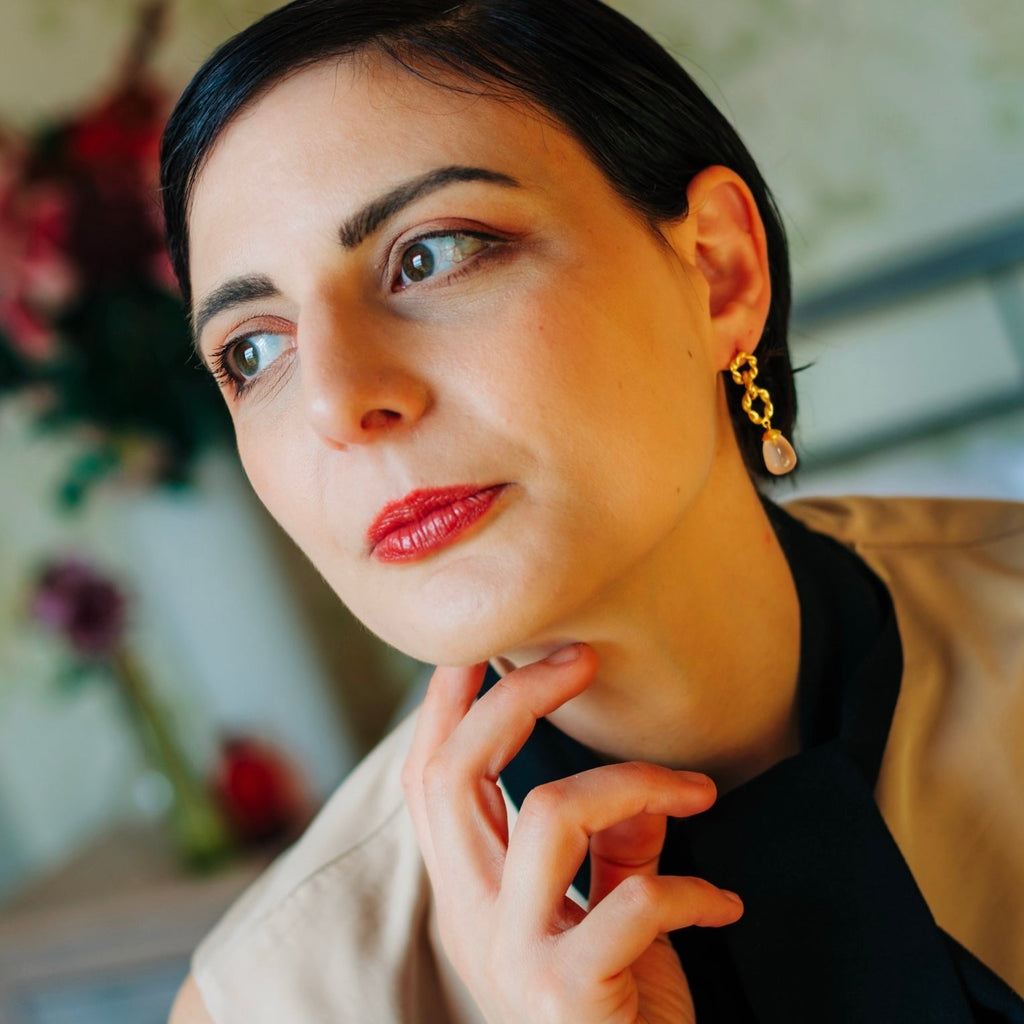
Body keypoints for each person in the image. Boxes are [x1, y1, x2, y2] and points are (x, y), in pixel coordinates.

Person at [160, 1, 1024, 1020]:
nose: (337, 402)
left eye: (431, 252)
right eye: (252, 350)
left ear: (715, 271)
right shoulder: (273, 998)